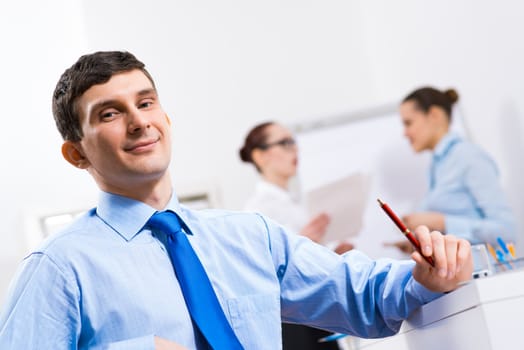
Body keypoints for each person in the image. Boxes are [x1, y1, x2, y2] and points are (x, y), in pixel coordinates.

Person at [0, 52, 472, 350]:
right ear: (76, 153)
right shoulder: (57, 269)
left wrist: (426, 277)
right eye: (110, 113)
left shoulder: (251, 237)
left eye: (146, 103)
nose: (139, 122)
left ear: (166, 116)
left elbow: (364, 297)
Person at [239, 121, 353, 350]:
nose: (295, 149)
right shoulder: (254, 212)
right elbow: (260, 276)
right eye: (285, 143)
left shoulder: (297, 203)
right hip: (292, 323)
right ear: (260, 156)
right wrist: (303, 246)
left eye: (294, 142)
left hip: (318, 312)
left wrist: (331, 255)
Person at [389, 86, 517, 255]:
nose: (405, 133)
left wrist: (441, 222)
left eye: (408, 123)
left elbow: (506, 231)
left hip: (484, 276)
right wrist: (422, 243)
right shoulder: (437, 165)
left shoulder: (469, 157)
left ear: (434, 115)